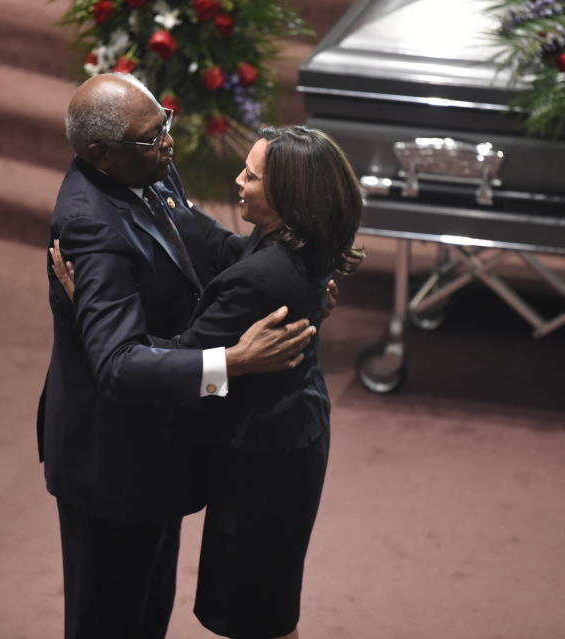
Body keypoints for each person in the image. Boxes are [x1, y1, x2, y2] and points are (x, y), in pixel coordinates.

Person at [53, 125, 364, 639]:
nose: (237, 180)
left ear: (288, 195)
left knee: (256, 616)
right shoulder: (301, 240)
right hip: (289, 435)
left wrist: (83, 312)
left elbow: (166, 355)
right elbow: (202, 234)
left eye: (252, 175)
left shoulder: (259, 277)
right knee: (264, 605)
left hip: (263, 462)